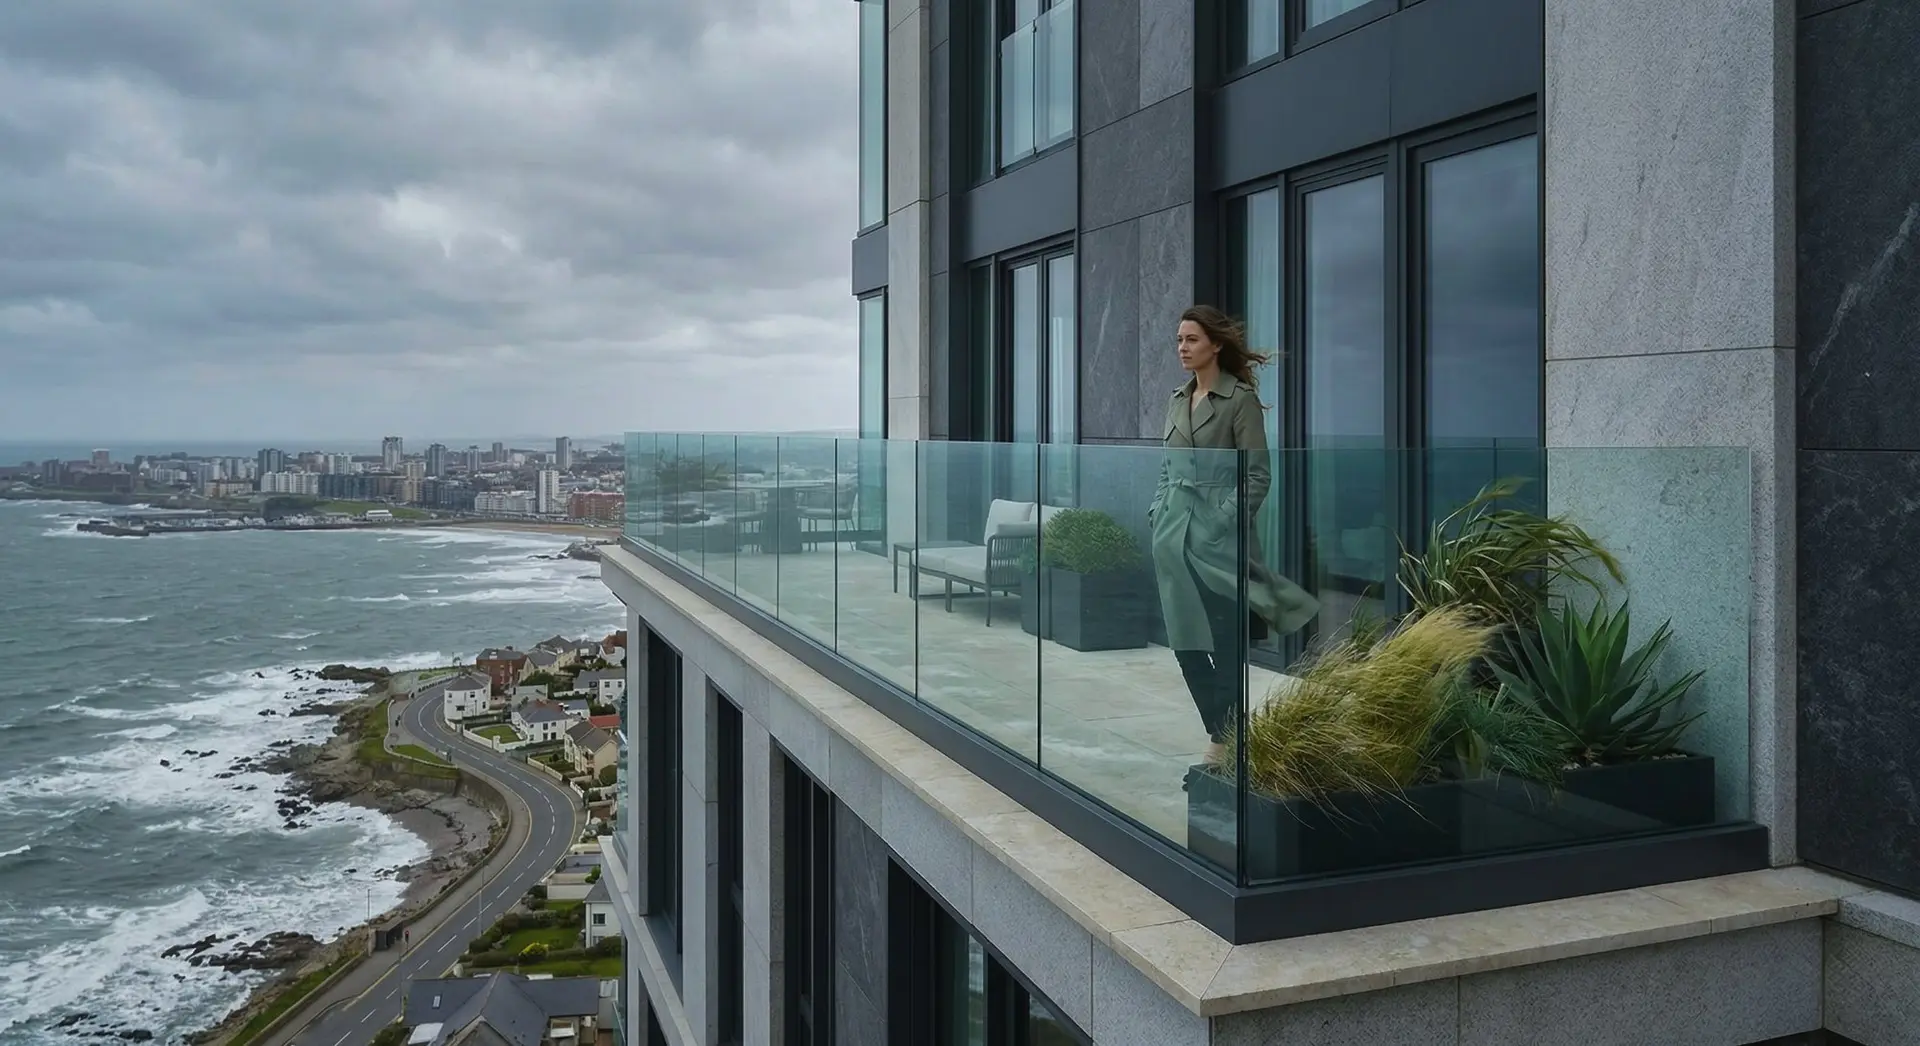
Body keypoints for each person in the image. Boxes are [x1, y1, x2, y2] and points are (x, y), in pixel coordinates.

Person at [1148, 305, 1319, 768]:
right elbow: (1168, 468)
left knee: (1224, 645)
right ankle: (1226, 731)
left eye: (1192, 340)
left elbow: (1257, 475)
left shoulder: (1238, 399)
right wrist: (1157, 510)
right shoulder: (1175, 398)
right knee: (1185, 644)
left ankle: (1223, 745)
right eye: (1179, 340)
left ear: (1216, 345)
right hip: (1173, 538)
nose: (1182, 348)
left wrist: (1217, 523)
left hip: (1218, 543)